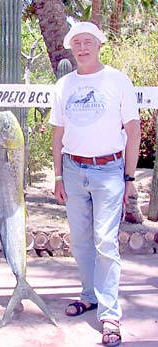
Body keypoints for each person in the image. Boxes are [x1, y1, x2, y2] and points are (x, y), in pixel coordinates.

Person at [50, 22, 141, 347]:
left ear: (99, 45)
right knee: (81, 242)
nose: (82, 48)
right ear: (71, 49)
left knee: (105, 242)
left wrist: (129, 178)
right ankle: (89, 295)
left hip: (109, 170)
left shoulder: (117, 80)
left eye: (87, 42)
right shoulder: (63, 85)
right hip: (73, 171)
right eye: (77, 43)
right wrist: (58, 175)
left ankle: (110, 315)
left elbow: (133, 130)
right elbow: (58, 134)